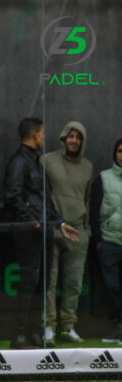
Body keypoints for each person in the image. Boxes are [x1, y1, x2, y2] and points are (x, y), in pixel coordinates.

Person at [3, 117, 80, 349]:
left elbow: (46, 201)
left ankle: (35, 333)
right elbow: (12, 197)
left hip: (45, 232)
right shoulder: (18, 162)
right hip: (29, 234)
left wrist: (60, 223)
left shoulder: (37, 163)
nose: (44, 137)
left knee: (42, 284)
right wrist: (34, 223)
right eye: (42, 133)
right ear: (35, 134)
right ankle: (18, 336)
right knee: (29, 283)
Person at [41, 121, 93, 345]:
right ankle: (49, 327)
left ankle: (68, 326)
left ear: (82, 141)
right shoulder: (47, 160)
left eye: (78, 137)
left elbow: (88, 199)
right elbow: (40, 195)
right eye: (70, 136)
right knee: (49, 283)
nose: (74, 140)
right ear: (63, 138)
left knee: (73, 283)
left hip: (78, 230)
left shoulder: (88, 166)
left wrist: (87, 230)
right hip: (54, 228)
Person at [90, 138, 122, 343]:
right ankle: (119, 326)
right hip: (109, 242)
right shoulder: (103, 178)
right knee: (112, 287)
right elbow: (93, 210)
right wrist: (99, 240)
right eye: (120, 151)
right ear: (115, 154)